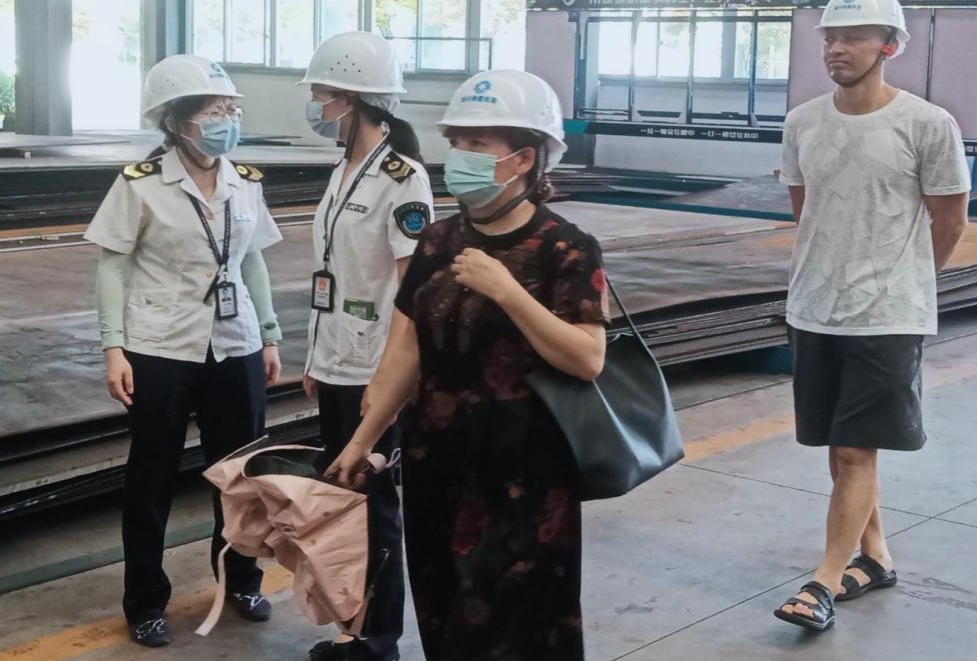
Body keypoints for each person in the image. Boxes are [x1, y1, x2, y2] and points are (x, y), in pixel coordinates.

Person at [327, 69, 609, 661]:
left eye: (478, 144)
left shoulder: (565, 247)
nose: (460, 156)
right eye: (456, 142)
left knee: (516, 625)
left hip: (524, 474)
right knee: (445, 611)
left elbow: (587, 358)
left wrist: (507, 291)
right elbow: (406, 351)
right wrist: (362, 440)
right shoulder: (436, 241)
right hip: (437, 462)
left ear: (524, 158)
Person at [773, 0, 971, 631]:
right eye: (830, 37)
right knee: (841, 449)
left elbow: (950, 219)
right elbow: (806, 212)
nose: (837, 48)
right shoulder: (802, 123)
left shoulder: (927, 125)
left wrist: (904, 283)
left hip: (886, 316)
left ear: (888, 46)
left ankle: (824, 581)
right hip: (814, 307)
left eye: (853, 37)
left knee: (857, 450)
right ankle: (876, 556)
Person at [85, 55, 285, 649]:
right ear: (176, 121)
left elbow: (252, 260)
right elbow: (112, 267)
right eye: (214, 111)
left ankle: (242, 579)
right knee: (151, 479)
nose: (227, 120)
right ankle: (146, 601)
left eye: (231, 109)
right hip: (160, 347)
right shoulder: (140, 183)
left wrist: (269, 333)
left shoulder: (244, 181)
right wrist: (113, 347)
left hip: (235, 344)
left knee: (241, 476)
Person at [300, 32, 434, 661]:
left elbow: (412, 293)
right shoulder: (343, 170)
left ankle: (378, 640)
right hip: (336, 361)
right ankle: (352, 628)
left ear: (351, 100)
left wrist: (389, 379)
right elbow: (333, 275)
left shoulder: (402, 179)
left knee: (373, 505)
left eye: (321, 95)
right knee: (344, 501)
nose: (315, 106)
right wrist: (315, 358)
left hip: (374, 368)